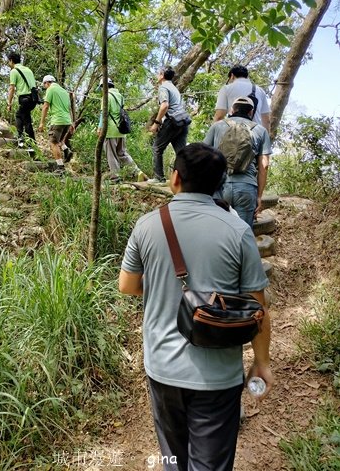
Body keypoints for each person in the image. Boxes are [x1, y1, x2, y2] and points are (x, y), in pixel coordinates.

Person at [119, 142, 272, 471]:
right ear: (219, 183)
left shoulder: (147, 225)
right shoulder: (238, 230)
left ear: (175, 178)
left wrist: (163, 285)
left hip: (162, 369)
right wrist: (261, 362)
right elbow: (258, 307)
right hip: (217, 375)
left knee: (173, 457)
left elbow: (128, 286)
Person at [204, 96, 272, 228]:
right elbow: (265, 165)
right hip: (246, 188)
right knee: (242, 235)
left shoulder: (217, 126)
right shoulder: (261, 130)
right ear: (251, 112)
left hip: (219, 186)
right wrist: (259, 196)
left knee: (217, 231)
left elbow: (203, 156)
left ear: (232, 110)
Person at [97, 78, 148, 183]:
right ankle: (138, 172)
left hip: (110, 130)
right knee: (122, 153)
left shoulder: (106, 96)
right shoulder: (120, 96)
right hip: (121, 129)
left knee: (111, 153)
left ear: (104, 86)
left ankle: (115, 177)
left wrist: (99, 127)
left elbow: (104, 114)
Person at [147, 65, 191, 185]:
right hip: (183, 121)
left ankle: (159, 177)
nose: (157, 75)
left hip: (172, 122)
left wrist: (156, 123)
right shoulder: (174, 88)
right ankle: (187, 179)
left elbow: (165, 106)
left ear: (162, 75)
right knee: (181, 152)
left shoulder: (163, 87)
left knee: (157, 148)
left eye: (158, 73)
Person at [214, 65, 270, 131]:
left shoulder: (226, 88)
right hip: (255, 134)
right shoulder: (260, 91)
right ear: (247, 76)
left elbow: (219, 116)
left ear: (232, 76)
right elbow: (266, 120)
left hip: (232, 133)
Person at [39, 75, 73, 173]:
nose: (45, 87)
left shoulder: (50, 89)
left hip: (58, 120)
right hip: (67, 121)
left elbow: (45, 106)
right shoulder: (65, 92)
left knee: (53, 143)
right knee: (59, 140)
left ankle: (60, 167)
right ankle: (66, 150)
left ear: (47, 82)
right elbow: (69, 108)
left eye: (44, 84)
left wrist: (42, 123)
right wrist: (72, 123)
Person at [7, 52, 37, 148]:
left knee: (19, 116)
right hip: (33, 98)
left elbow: (12, 88)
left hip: (24, 98)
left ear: (11, 60)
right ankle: (31, 143)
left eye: (8, 61)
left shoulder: (14, 71)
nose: (8, 63)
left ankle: (21, 139)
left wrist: (9, 103)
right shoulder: (28, 70)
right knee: (26, 118)